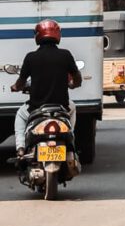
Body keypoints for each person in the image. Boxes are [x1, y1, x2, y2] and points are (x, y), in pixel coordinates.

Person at [11, 19, 81, 160]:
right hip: (61, 107)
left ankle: (21, 148)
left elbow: (20, 82)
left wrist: (15, 87)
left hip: (36, 108)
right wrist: (73, 84)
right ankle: (69, 138)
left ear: (38, 36)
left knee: (20, 115)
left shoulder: (31, 57)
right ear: (57, 35)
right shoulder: (66, 55)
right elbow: (77, 78)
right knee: (73, 107)